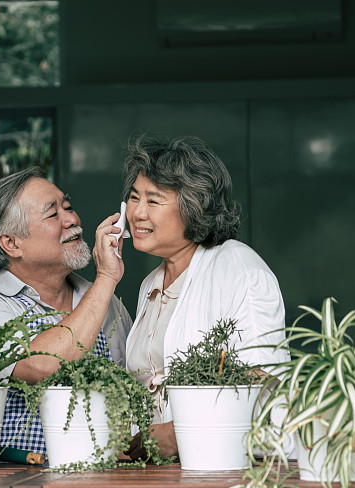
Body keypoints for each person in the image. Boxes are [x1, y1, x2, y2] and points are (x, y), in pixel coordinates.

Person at [117, 135, 290, 459]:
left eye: (153, 201)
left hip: (227, 473)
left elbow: (266, 386)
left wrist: (172, 436)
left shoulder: (238, 267)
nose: (137, 213)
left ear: (193, 206)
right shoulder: (150, 284)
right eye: (134, 197)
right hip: (160, 475)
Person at [0, 166, 132, 455]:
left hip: (102, 479)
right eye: (53, 214)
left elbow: (131, 392)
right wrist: (107, 278)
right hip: (16, 487)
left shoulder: (104, 301)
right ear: (11, 243)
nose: (72, 219)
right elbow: (42, 365)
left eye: (69, 207)